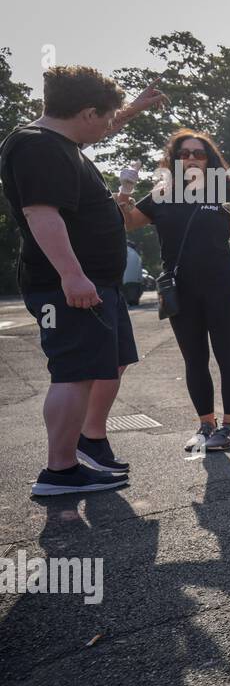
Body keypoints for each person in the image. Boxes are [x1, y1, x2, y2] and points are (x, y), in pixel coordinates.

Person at [0, 66, 165, 495]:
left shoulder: (61, 142)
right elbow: (42, 214)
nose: (112, 125)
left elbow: (97, 129)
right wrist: (72, 277)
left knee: (101, 366)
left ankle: (83, 449)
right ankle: (60, 471)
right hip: (67, 287)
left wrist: (132, 110)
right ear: (88, 112)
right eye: (107, 116)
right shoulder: (38, 149)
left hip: (97, 284)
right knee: (73, 374)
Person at [117, 129, 230, 451]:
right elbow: (127, 222)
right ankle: (206, 425)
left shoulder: (223, 192)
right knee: (194, 359)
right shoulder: (163, 193)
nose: (191, 158)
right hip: (180, 289)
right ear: (175, 160)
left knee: (227, 356)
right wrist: (125, 190)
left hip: (222, 286)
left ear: (209, 160)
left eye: (198, 153)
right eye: (185, 153)